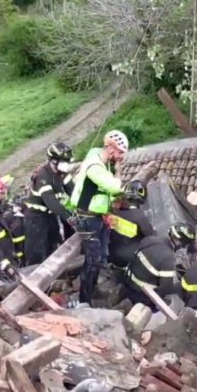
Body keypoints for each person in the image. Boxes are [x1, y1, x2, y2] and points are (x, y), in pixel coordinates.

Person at [71, 130, 128, 305]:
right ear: (111, 149)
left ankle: (97, 286)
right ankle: (84, 300)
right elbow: (115, 187)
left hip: (97, 215)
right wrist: (118, 171)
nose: (120, 158)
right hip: (87, 218)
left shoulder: (99, 158)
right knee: (92, 259)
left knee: (102, 253)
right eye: (119, 154)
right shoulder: (95, 167)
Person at [24, 142, 77, 265]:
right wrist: (68, 217)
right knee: (37, 251)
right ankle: (33, 277)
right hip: (36, 218)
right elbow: (51, 201)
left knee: (53, 244)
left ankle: (52, 277)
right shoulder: (43, 176)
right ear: (53, 160)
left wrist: (82, 207)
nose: (67, 165)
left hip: (50, 216)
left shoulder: (61, 173)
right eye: (64, 161)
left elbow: (73, 190)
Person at [123, 222, 195, 309]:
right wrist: (181, 285)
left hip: (126, 281)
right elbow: (166, 288)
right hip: (140, 295)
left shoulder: (151, 239)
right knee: (174, 295)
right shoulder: (168, 258)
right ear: (181, 243)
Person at [107, 180, 155, 271]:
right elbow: (151, 236)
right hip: (129, 259)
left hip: (111, 255)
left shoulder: (114, 212)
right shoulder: (139, 216)